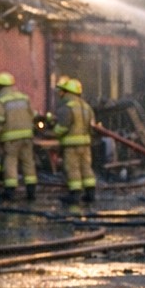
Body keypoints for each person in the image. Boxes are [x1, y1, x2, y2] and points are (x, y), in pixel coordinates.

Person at [0, 71, 38, 201]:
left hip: (10, 138)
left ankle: (10, 192)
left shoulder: (0, 100)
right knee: (28, 162)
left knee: (10, 162)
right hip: (27, 136)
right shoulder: (24, 97)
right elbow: (32, 115)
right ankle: (31, 192)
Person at [53, 77, 97, 206]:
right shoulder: (87, 107)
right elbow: (92, 126)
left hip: (71, 145)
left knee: (73, 169)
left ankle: (75, 195)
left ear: (67, 92)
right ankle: (90, 194)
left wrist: (54, 131)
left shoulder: (67, 107)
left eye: (63, 91)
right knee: (86, 168)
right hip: (86, 144)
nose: (61, 94)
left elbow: (62, 127)